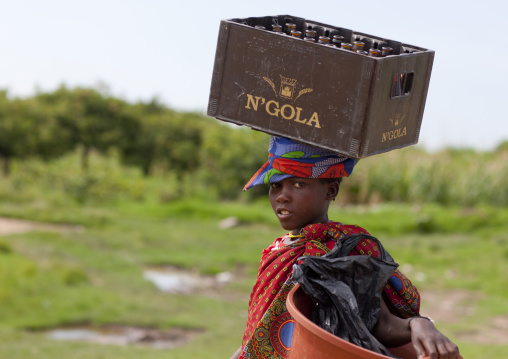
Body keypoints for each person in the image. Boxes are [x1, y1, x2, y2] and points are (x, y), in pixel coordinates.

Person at [231, 136, 460, 359]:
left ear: (330, 191)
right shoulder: (277, 249)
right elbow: (260, 326)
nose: (282, 196)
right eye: (275, 185)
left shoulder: (342, 250)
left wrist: (420, 324)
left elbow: (380, 323)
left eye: (298, 184)